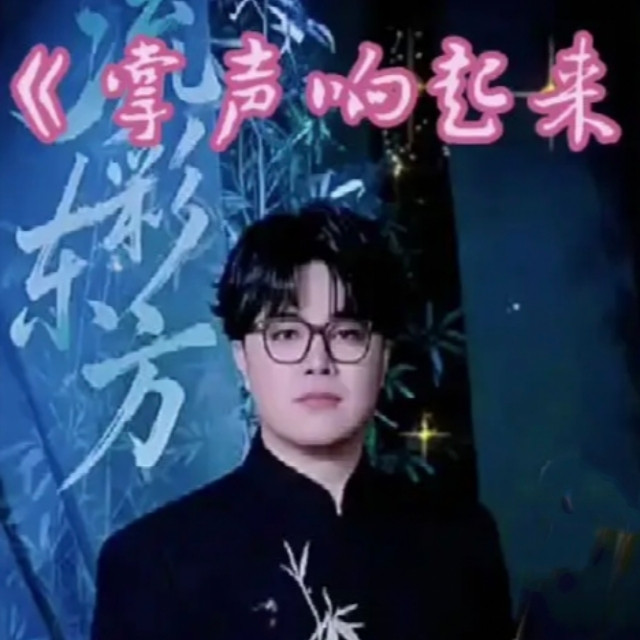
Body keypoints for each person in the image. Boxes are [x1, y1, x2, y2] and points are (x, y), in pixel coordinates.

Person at [91, 202, 514, 640]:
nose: (318, 360)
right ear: (242, 358)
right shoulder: (153, 563)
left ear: (384, 357)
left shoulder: (461, 541)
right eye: (286, 334)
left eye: (347, 334)